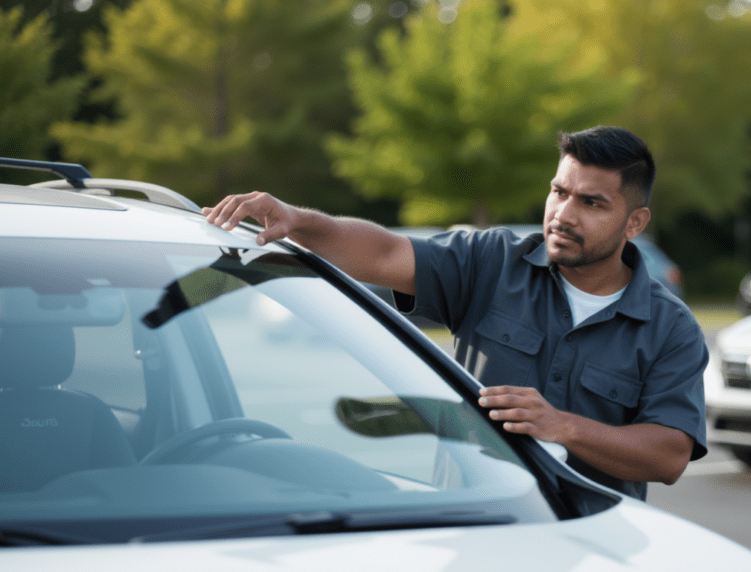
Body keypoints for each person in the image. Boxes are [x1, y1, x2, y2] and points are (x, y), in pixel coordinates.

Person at [203, 126, 708, 500]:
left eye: (592, 203)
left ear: (634, 222)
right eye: (559, 191)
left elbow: (668, 455)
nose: (563, 213)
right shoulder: (489, 264)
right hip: (471, 529)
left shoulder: (671, 328)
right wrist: (297, 220)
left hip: (591, 544)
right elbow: (381, 254)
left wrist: (562, 426)